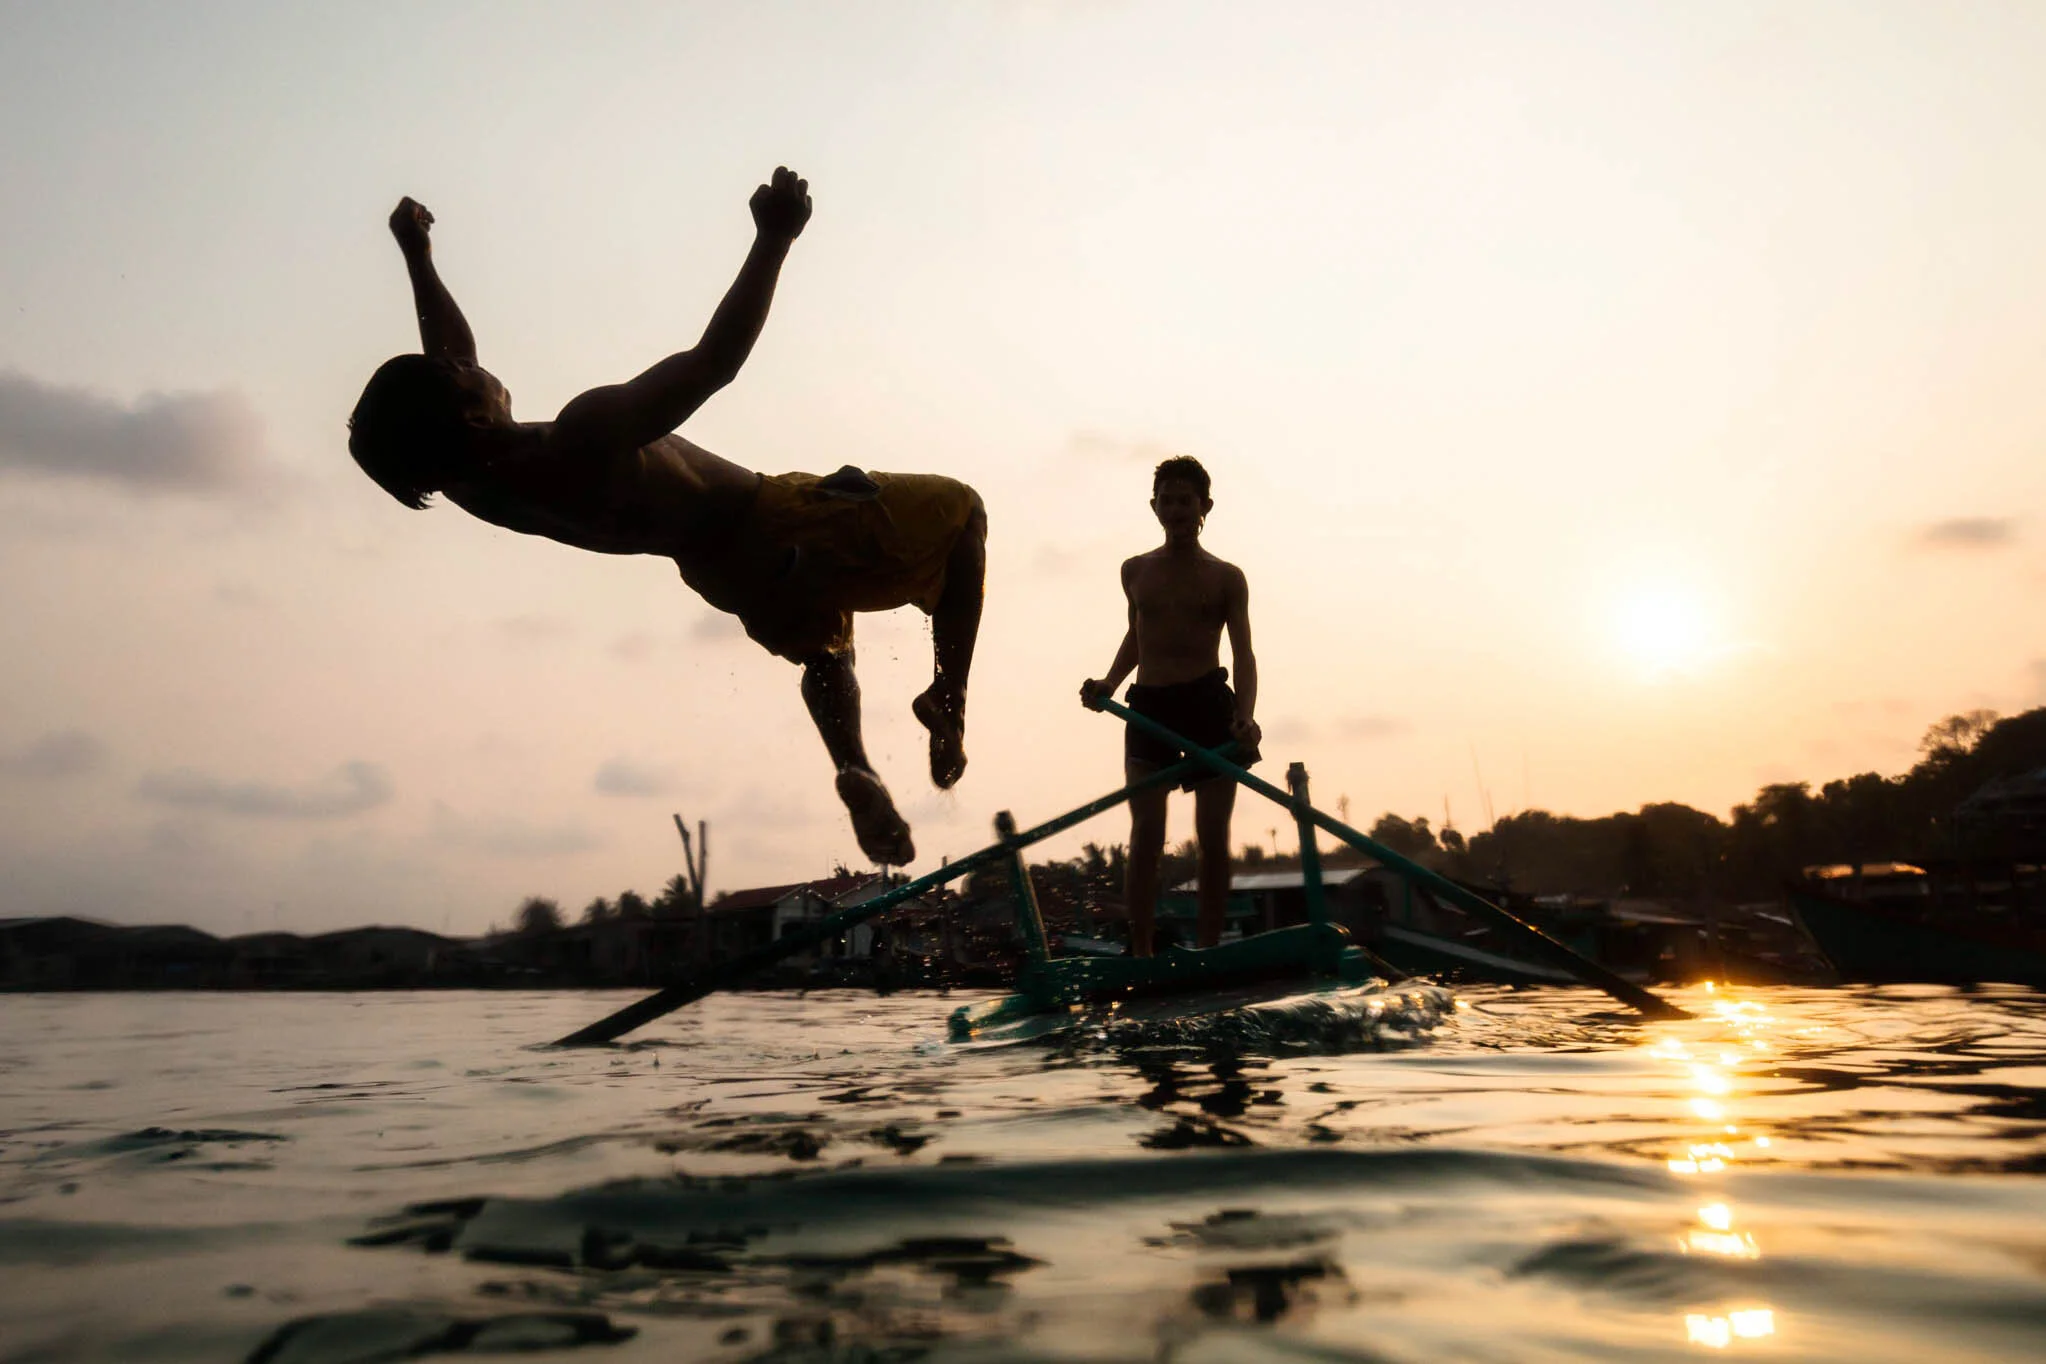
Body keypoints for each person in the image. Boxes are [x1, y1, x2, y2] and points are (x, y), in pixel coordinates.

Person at [347, 169, 985, 866]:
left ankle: (855, 766)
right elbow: (714, 363)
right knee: (963, 512)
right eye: (463, 374)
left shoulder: (475, 485)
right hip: (775, 517)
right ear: (473, 413)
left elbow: (449, 353)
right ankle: (947, 699)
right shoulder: (583, 435)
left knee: (824, 650)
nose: (472, 363)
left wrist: (417, 256)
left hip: (720, 571)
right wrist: (774, 239)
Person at [1080, 457, 1259, 955]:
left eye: (1186, 500)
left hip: (1208, 703)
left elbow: (1244, 654)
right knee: (1146, 834)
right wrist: (1109, 682)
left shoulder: (1227, 578)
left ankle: (1207, 949)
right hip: (1149, 708)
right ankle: (1141, 952)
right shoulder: (1135, 571)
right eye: (1168, 500)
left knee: (1212, 834)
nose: (1177, 509)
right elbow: (1136, 636)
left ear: (1205, 508)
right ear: (1154, 507)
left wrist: (1244, 715)